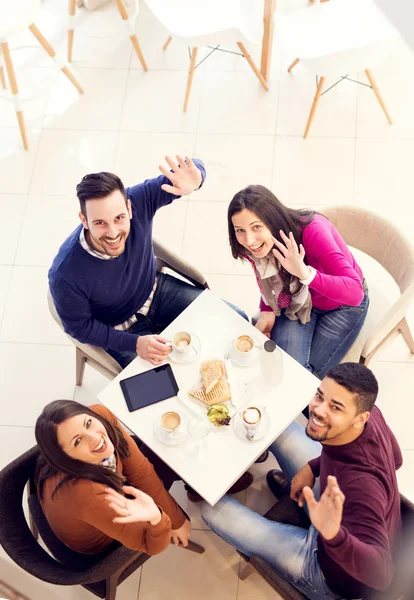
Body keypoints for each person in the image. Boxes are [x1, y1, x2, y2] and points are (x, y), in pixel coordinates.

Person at [200, 363, 402, 600]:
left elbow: (382, 576)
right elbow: (396, 459)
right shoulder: (371, 416)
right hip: (340, 514)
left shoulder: (362, 489)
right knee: (278, 429)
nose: (317, 411)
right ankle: (298, 500)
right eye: (320, 396)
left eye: (335, 407)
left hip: (331, 571)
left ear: (360, 418)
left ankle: (303, 520)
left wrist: (332, 533)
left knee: (209, 510)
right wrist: (313, 466)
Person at [49, 156, 245, 369]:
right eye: (100, 223)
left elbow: (189, 171)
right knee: (157, 390)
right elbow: (79, 328)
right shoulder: (65, 274)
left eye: (119, 218)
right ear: (84, 220)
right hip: (118, 329)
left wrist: (196, 179)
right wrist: (133, 343)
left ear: (130, 208)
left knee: (237, 319)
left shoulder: (139, 200)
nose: (113, 233)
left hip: (156, 291)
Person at [228, 185, 369, 379]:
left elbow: (355, 293)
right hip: (298, 300)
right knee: (281, 365)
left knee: (302, 378)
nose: (249, 240)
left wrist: (304, 273)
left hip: (341, 305)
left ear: (272, 219)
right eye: (240, 230)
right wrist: (267, 309)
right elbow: (265, 276)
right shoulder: (252, 245)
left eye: (256, 227)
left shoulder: (314, 231)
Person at [35, 401, 191, 555]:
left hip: (93, 496)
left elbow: (140, 471)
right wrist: (160, 519)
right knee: (170, 456)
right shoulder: (89, 495)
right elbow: (149, 545)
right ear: (65, 458)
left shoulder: (99, 414)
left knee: (164, 451)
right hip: (98, 535)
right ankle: (194, 492)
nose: (95, 438)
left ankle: (193, 492)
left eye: (88, 423)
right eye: (77, 441)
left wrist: (175, 518)